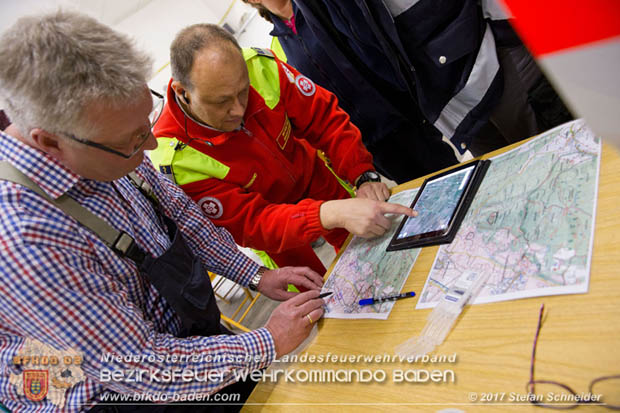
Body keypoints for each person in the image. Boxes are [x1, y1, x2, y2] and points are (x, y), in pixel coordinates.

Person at [0, 11, 329, 412]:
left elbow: (181, 215)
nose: (152, 146)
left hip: (191, 348)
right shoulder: (22, 240)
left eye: (147, 123)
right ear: (50, 142)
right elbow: (141, 368)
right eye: (135, 139)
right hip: (127, 393)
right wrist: (270, 340)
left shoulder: (107, 141)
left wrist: (255, 274)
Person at [150, 24, 417, 276]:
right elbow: (253, 223)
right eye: (221, 102)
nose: (238, 110)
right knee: (314, 293)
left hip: (313, 176)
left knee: (376, 243)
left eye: (243, 92)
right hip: (272, 229)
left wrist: (361, 174)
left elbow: (324, 119)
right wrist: (329, 214)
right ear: (182, 92)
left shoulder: (260, 67)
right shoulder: (175, 158)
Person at [245, 0, 572, 160]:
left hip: (488, 58)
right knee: (504, 168)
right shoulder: (292, 29)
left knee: (553, 150)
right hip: (439, 97)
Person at [242, 0, 460, 184]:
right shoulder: (278, 42)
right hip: (366, 140)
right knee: (417, 189)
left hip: (396, 114)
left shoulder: (319, 6)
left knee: (449, 174)